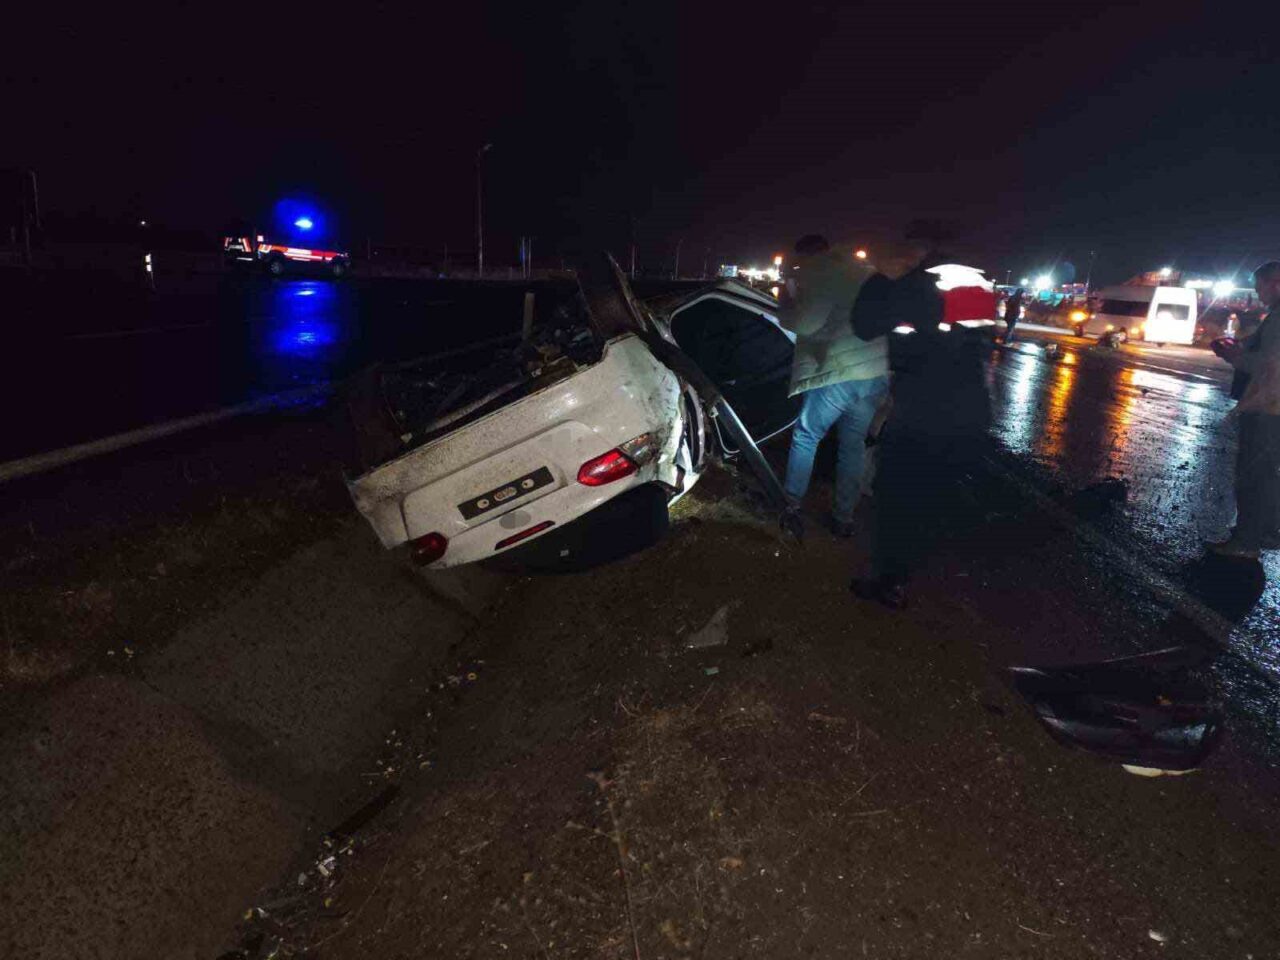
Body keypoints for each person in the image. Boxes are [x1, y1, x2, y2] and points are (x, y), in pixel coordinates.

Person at [847, 245, 993, 609]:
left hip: (923, 412)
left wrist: (882, 276)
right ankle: (913, 575)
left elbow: (864, 325)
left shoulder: (915, 285)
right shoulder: (975, 281)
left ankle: (890, 582)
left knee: (896, 495)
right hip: (969, 411)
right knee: (930, 496)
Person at [779, 234, 890, 536]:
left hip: (841, 372)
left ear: (808, 255)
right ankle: (844, 519)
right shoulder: (862, 269)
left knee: (806, 435)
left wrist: (784, 303)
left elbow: (806, 323)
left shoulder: (820, 272)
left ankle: (789, 505)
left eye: (800, 260)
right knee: (852, 445)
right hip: (874, 372)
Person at [1207, 261, 1280, 559]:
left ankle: (1247, 542)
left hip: (1268, 406)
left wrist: (1235, 356)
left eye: (1261, 286)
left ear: (1276, 282)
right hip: (1272, 406)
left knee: (1254, 475)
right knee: (1269, 474)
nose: (1258, 294)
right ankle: (1268, 532)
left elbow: (1270, 365)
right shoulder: (1273, 317)